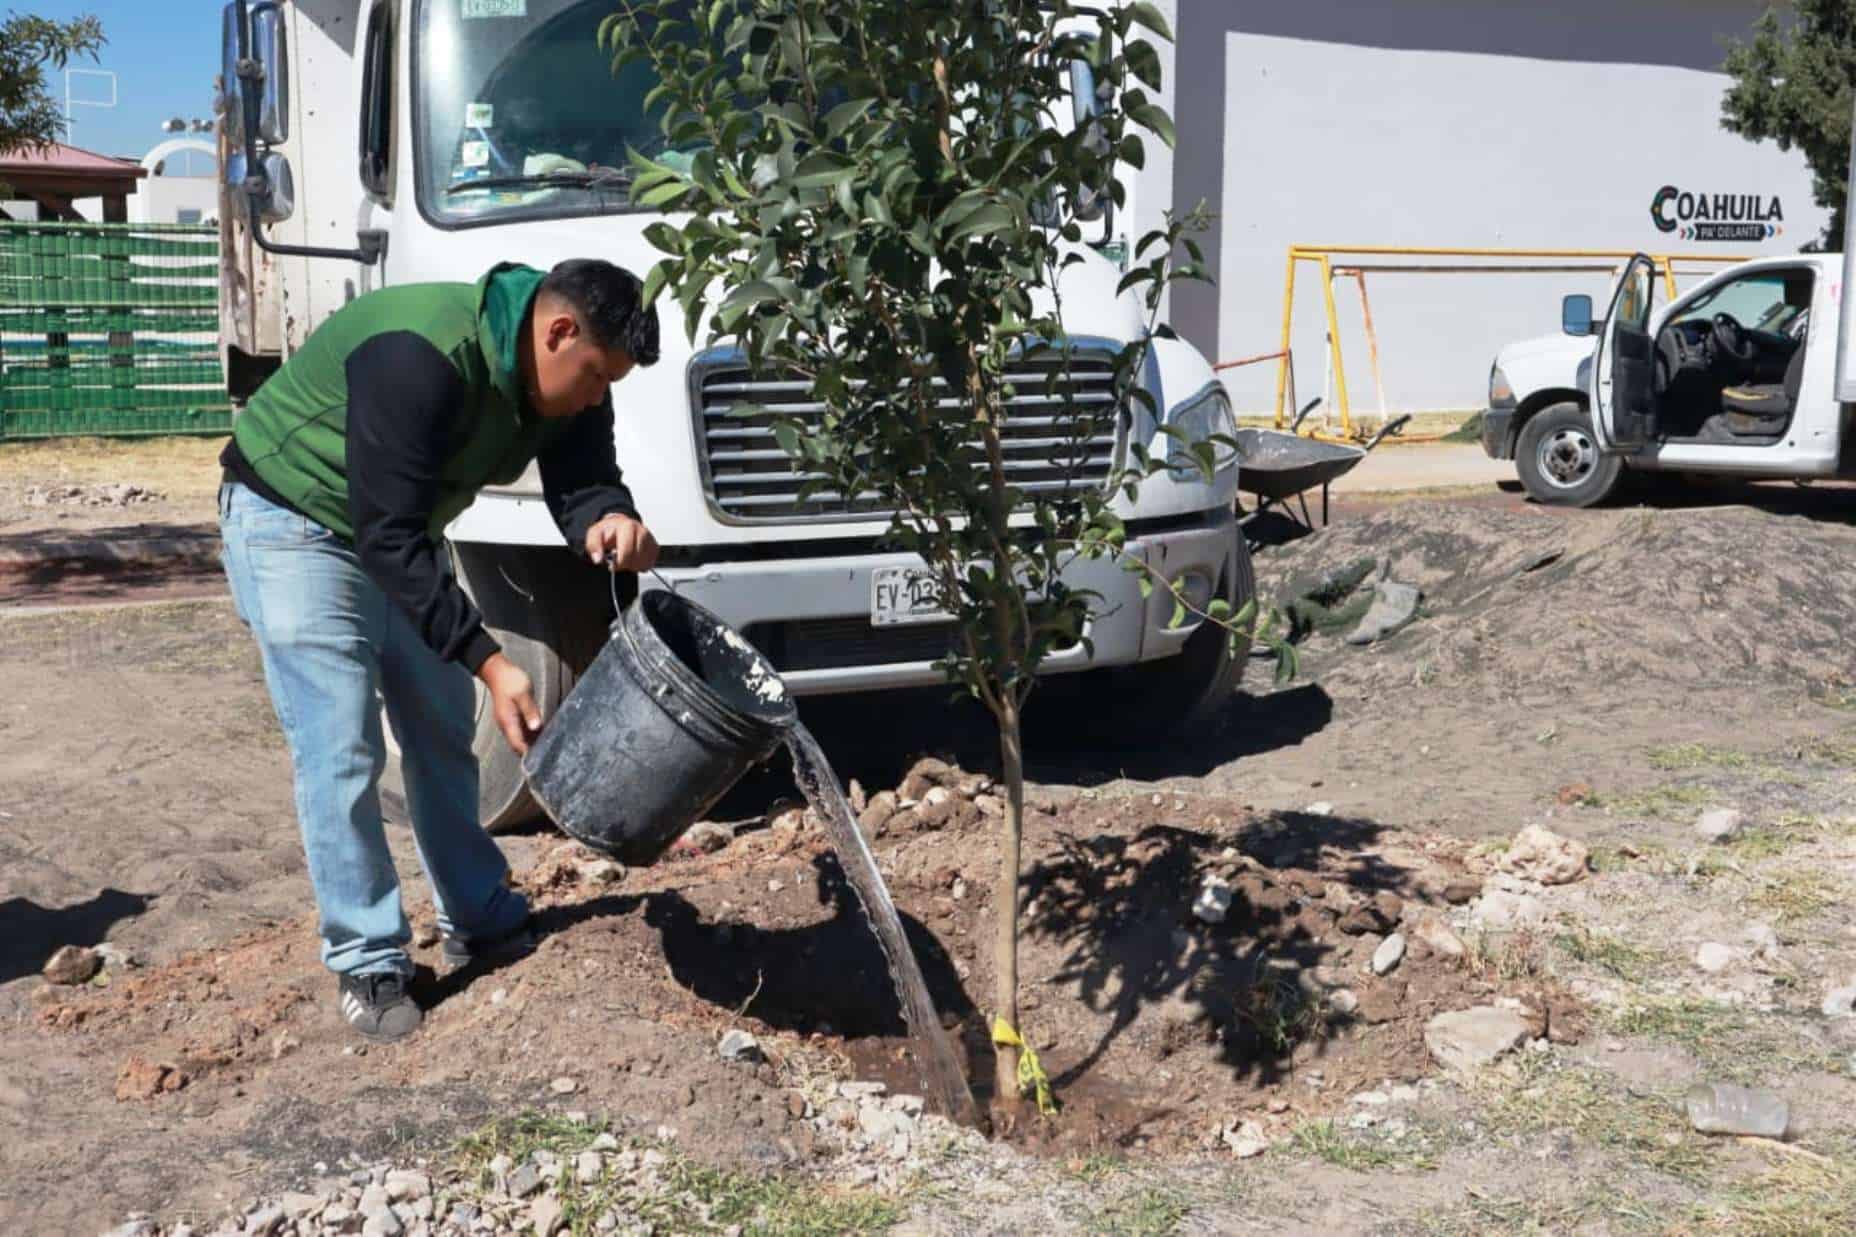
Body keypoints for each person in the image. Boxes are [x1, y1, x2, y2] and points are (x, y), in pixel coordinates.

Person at [217, 258, 661, 1042]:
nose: (599, 397)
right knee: (341, 745)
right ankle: (367, 957)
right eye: (596, 376)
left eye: (610, 384)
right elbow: (386, 537)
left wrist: (610, 516)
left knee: (441, 724)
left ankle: (478, 909)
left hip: (395, 529)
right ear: (558, 331)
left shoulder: (569, 377)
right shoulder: (420, 352)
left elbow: (584, 476)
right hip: (293, 516)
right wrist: (490, 658)